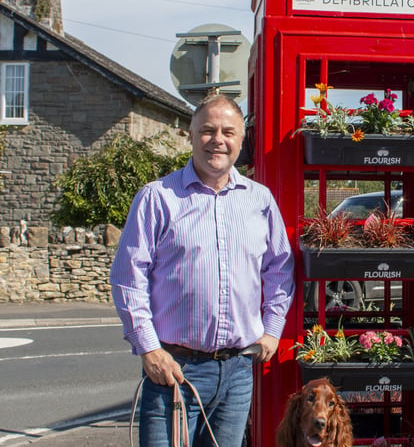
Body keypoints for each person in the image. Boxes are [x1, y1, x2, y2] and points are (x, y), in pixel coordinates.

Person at [110, 94, 295, 446]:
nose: (218, 140)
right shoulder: (157, 197)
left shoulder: (260, 200)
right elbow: (127, 278)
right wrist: (149, 349)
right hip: (174, 371)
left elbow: (279, 268)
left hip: (238, 371)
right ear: (190, 135)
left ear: (242, 139)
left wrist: (271, 330)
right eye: (208, 130)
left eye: (229, 131)